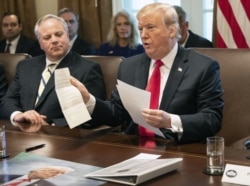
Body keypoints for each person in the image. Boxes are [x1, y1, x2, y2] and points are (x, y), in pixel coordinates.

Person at [71, 3, 224, 144]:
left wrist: (170, 121)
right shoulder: (129, 65)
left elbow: (212, 119)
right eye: (141, 29)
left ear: (171, 31)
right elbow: (117, 113)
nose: (143, 35)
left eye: (150, 28)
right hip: (135, 147)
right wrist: (89, 101)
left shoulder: (203, 67)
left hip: (178, 148)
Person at [0, 14, 106, 129]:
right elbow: (7, 100)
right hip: (23, 133)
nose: (54, 40)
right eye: (47, 37)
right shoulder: (25, 66)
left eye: (58, 34)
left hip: (60, 137)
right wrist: (18, 115)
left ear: (67, 36)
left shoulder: (87, 69)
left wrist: (53, 125)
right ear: (40, 43)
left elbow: (93, 113)